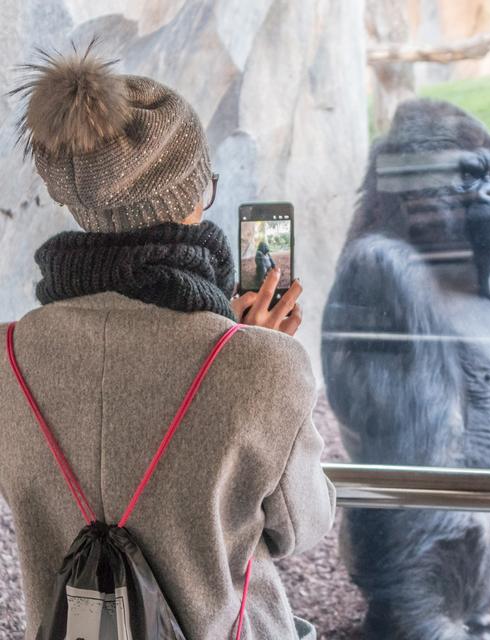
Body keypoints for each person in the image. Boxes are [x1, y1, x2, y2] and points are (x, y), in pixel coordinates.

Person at [0, 41, 335, 640]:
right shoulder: (262, 366)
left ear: (71, 202)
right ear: (193, 197)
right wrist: (247, 354)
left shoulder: (7, 358)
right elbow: (300, 527)